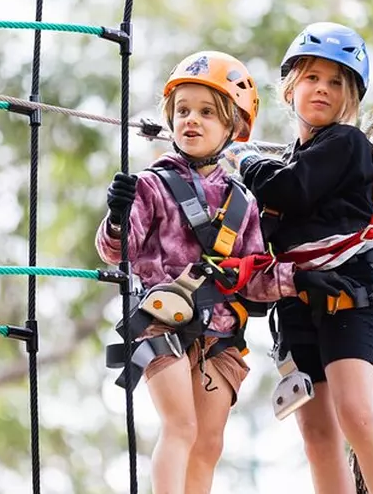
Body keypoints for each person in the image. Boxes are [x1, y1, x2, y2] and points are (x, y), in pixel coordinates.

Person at [95, 50, 298, 494]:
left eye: (207, 112)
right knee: (181, 427)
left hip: (221, 333)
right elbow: (118, 251)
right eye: (182, 110)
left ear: (233, 127)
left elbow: (256, 277)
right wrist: (116, 214)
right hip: (162, 320)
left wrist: (298, 279)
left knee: (208, 444)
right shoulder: (151, 185)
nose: (191, 120)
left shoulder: (242, 202)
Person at [222, 22, 373, 494]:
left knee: (357, 412)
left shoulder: (346, 144)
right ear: (290, 88)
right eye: (311, 78)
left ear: (351, 97)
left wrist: (245, 159)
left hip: (347, 288)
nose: (322, 89)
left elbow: (294, 189)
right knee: (317, 433)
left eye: (335, 82)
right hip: (297, 299)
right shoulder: (288, 159)